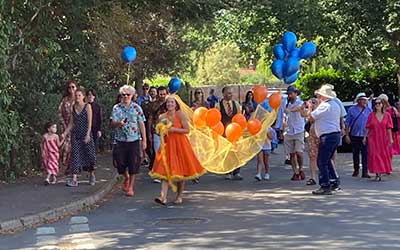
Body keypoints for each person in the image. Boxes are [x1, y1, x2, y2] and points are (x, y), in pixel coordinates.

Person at [150, 96, 206, 205]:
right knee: (164, 171)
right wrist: (161, 131)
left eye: (172, 102)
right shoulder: (162, 117)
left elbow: (187, 130)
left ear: (176, 104)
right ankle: (163, 197)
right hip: (167, 145)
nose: (169, 104)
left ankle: (179, 196)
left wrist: (174, 129)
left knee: (180, 172)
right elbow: (158, 130)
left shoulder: (180, 115)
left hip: (180, 145)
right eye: (168, 102)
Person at [110, 85, 146, 196]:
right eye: (123, 95)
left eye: (128, 95)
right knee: (119, 164)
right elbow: (111, 124)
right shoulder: (116, 108)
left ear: (132, 96)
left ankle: (130, 187)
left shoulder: (136, 108)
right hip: (120, 140)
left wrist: (144, 140)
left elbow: (141, 123)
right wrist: (118, 123)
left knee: (133, 164)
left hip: (133, 139)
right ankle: (126, 177)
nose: (126, 97)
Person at [308, 84, 341, 195]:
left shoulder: (324, 106)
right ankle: (333, 181)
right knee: (327, 160)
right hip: (335, 135)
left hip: (327, 136)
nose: (318, 97)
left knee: (321, 161)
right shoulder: (335, 105)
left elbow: (311, 117)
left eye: (320, 95)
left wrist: (309, 107)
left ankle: (325, 185)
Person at [62, 87, 96, 187]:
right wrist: (65, 133)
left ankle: (92, 174)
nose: (77, 97)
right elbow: (72, 123)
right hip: (76, 134)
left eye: (79, 95)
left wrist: (88, 134)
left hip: (86, 134)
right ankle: (74, 179)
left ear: (83, 97)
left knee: (89, 155)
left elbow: (90, 122)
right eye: (76, 96)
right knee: (75, 155)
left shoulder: (87, 107)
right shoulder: (73, 108)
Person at [216, 86, 243, 180]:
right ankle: (228, 172)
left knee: (236, 152)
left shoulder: (236, 104)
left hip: (235, 132)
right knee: (226, 153)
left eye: (231, 93)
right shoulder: (218, 105)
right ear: (223, 94)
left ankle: (237, 172)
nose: (231, 95)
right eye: (228, 93)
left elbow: (240, 118)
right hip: (223, 132)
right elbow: (216, 119)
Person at [364, 97, 393, 181]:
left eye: (379, 103)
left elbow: (389, 128)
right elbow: (367, 127)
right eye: (376, 103)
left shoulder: (387, 115)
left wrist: (390, 139)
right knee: (375, 155)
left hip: (384, 138)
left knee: (382, 155)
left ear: (382, 104)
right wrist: (364, 137)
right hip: (373, 138)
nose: (378, 105)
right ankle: (377, 173)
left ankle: (381, 171)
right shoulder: (371, 115)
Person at [345, 93, 372, 178]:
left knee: (365, 154)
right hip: (354, 135)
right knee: (355, 153)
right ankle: (356, 169)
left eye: (365, 100)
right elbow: (347, 123)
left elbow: (370, 124)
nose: (364, 101)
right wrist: (347, 135)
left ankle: (365, 172)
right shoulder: (352, 110)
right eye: (363, 100)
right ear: (358, 100)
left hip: (365, 135)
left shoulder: (368, 110)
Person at [284, 85, 306, 181]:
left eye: (291, 93)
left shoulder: (299, 102)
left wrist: (290, 110)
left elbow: (299, 108)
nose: (289, 95)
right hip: (289, 131)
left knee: (299, 152)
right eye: (288, 94)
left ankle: (301, 168)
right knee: (291, 153)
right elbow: (284, 116)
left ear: (296, 93)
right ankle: (295, 172)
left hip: (298, 130)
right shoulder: (286, 103)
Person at [58, 80, 76, 174]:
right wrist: (63, 125)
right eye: (69, 87)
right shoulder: (65, 100)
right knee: (65, 147)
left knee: (74, 147)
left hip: (76, 127)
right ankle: (66, 164)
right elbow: (59, 112)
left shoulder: (78, 99)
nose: (71, 89)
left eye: (73, 87)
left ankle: (72, 166)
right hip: (65, 126)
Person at [306, 97, 319, 185]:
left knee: (324, 157)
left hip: (321, 134)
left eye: (315, 102)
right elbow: (309, 119)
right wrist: (309, 108)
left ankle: (327, 175)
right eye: (312, 102)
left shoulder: (322, 109)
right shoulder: (311, 111)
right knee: (312, 156)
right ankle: (313, 177)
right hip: (312, 134)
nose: (313, 104)